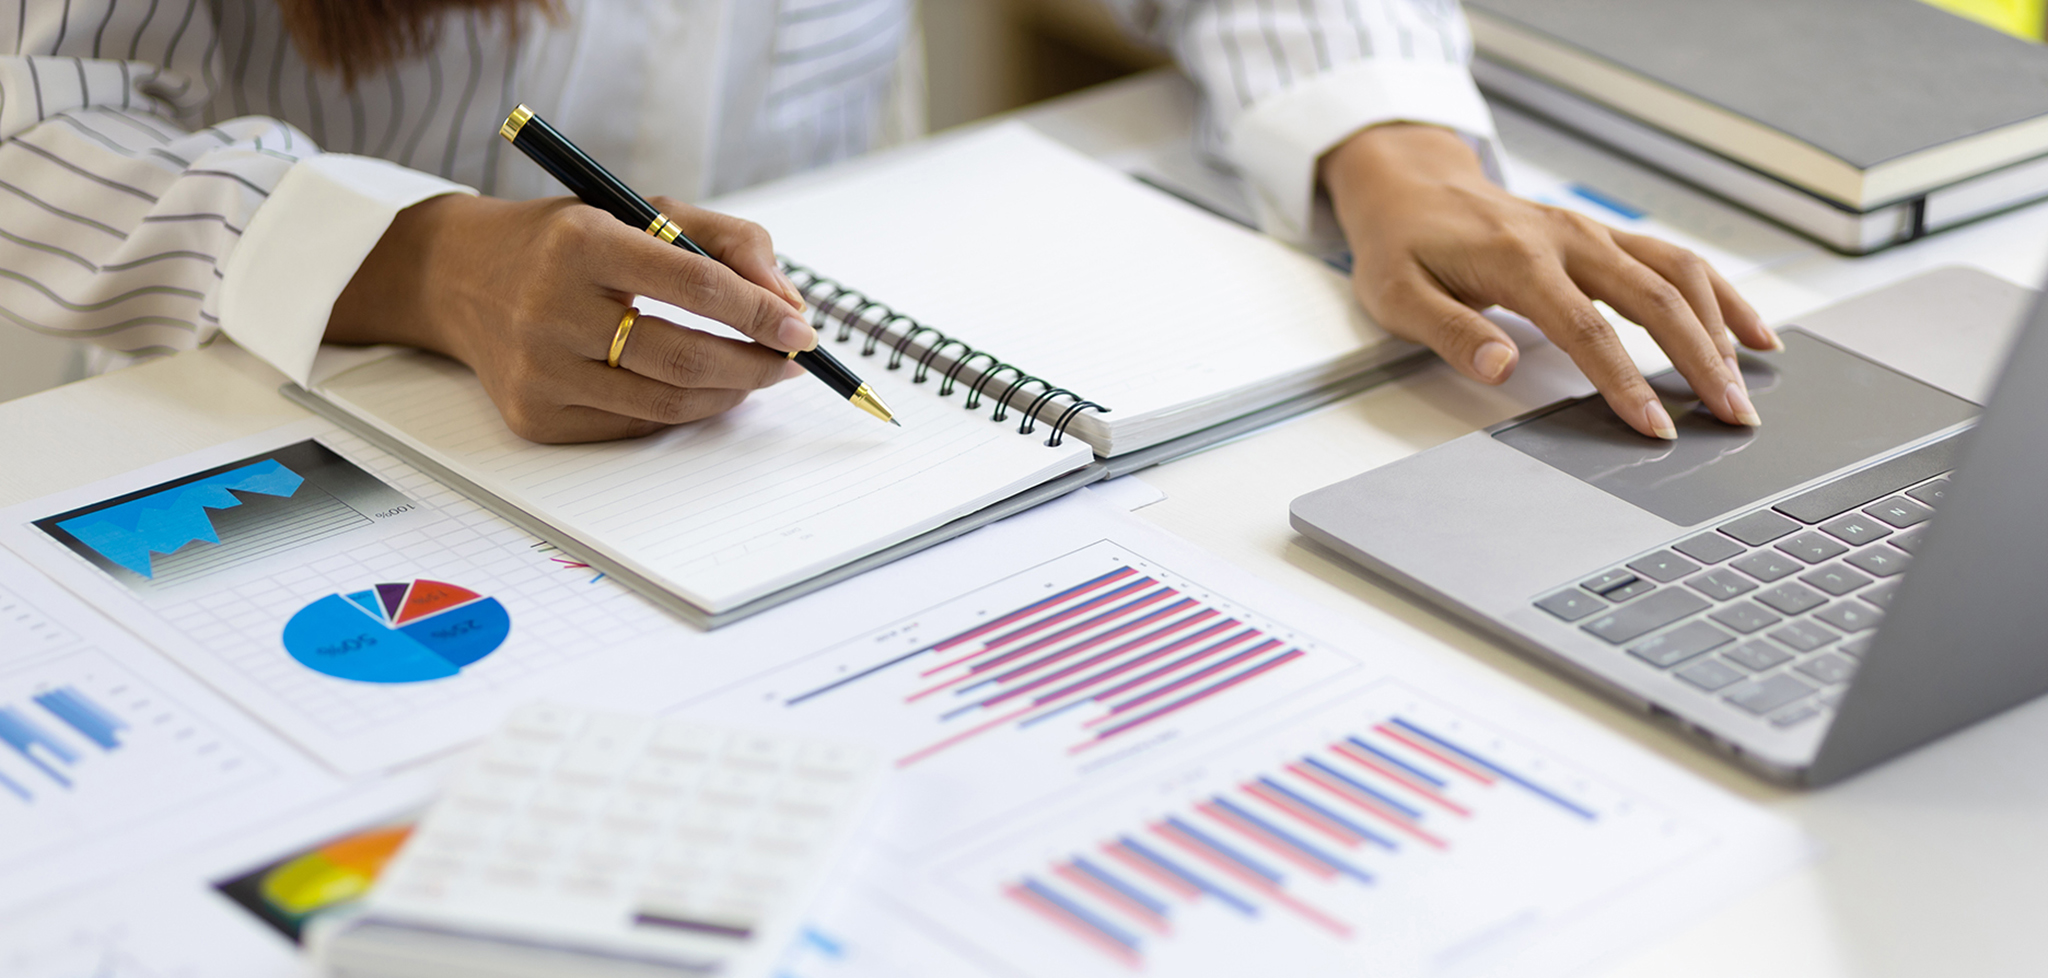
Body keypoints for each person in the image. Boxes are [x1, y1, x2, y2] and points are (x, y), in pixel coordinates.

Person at [0, 0, 1773, 444]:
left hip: (792, 437)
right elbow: (38, 114)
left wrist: (1396, 152)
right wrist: (430, 259)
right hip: (295, 413)